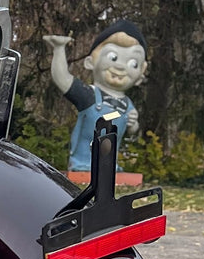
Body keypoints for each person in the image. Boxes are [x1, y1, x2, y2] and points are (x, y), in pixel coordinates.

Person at [42, 23, 148, 173]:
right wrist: (59, 49)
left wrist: (133, 123)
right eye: (113, 57)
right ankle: (83, 162)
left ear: (139, 77)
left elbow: (132, 130)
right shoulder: (89, 95)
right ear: (90, 62)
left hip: (110, 163)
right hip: (83, 162)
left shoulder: (127, 104)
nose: (120, 67)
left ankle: (109, 167)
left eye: (133, 63)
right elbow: (62, 79)